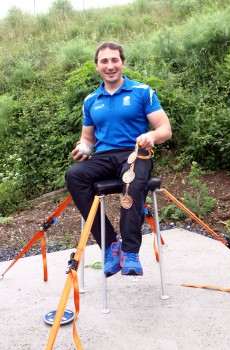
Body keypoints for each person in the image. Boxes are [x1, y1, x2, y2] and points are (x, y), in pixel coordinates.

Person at [66, 41, 172, 278]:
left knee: (132, 181)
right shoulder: (91, 100)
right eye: (104, 61)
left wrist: (151, 135)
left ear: (122, 63)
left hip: (136, 152)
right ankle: (111, 244)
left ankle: (130, 251)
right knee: (74, 175)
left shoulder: (142, 92)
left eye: (114, 60)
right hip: (104, 157)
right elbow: (87, 139)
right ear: (97, 66)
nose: (110, 65)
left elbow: (165, 128)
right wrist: (83, 148)